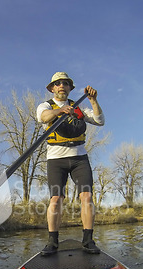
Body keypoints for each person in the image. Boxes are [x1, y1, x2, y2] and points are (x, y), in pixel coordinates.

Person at [36, 72, 105, 256]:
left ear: (69, 88)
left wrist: (93, 101)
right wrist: (60, 111)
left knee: (87, 197)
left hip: (79, 158)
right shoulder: (45, 106)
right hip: (56, 159)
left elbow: (100, 121)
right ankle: (52, 241)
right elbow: (43, 117)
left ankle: (88, 240)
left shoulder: (78, 107)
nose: (62, 86)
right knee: (56, 199)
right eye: (58, 84)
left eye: (65, 83)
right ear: (52, 88)